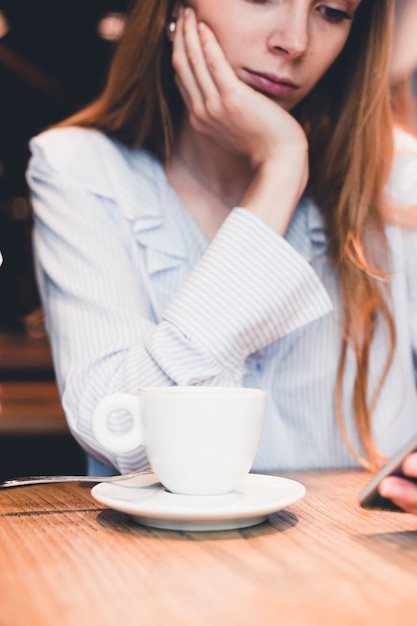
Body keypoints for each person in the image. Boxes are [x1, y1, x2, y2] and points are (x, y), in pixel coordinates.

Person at [27, 0, 417, 514]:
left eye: (331, 11)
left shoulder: (401, 178)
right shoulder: (81, 168)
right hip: (155, 574)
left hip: (360, 566)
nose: (294, 42)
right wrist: (280, 171)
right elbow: (124, 435)